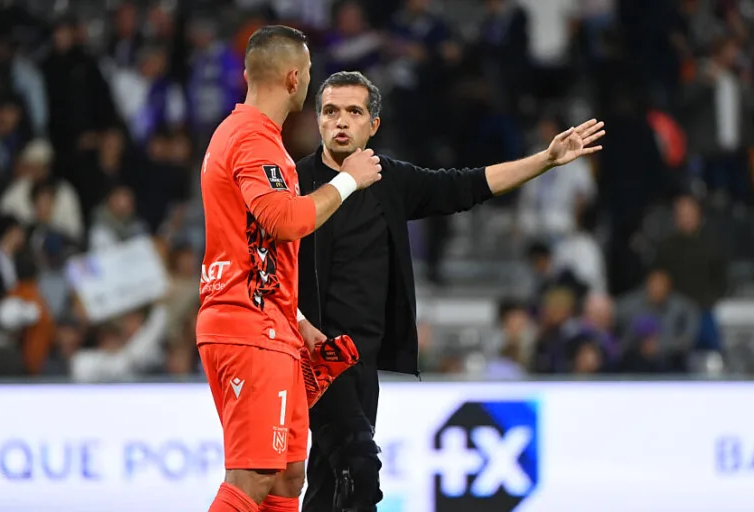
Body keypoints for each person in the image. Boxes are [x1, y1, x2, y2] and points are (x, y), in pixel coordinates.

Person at [295, 71, 605, 511]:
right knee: (361, 470)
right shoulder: (293, 182)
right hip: (315, 358)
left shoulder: (392, 181)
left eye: (354, 111)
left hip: (362, 358)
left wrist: (546, 160)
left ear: (373, 125)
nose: (340, 121)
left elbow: (468, 185)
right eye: (330, 111)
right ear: (319, 120)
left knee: (329, 482)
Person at [196, 27, 383, 512]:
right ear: (295, 78)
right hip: (247, 327)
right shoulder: (253, 140)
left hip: (268, 325)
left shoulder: (248, 138)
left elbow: (253, 245)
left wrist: (297, 324)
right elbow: (282, 221)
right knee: (254, 476)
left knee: (286, 477)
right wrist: (348, 181)